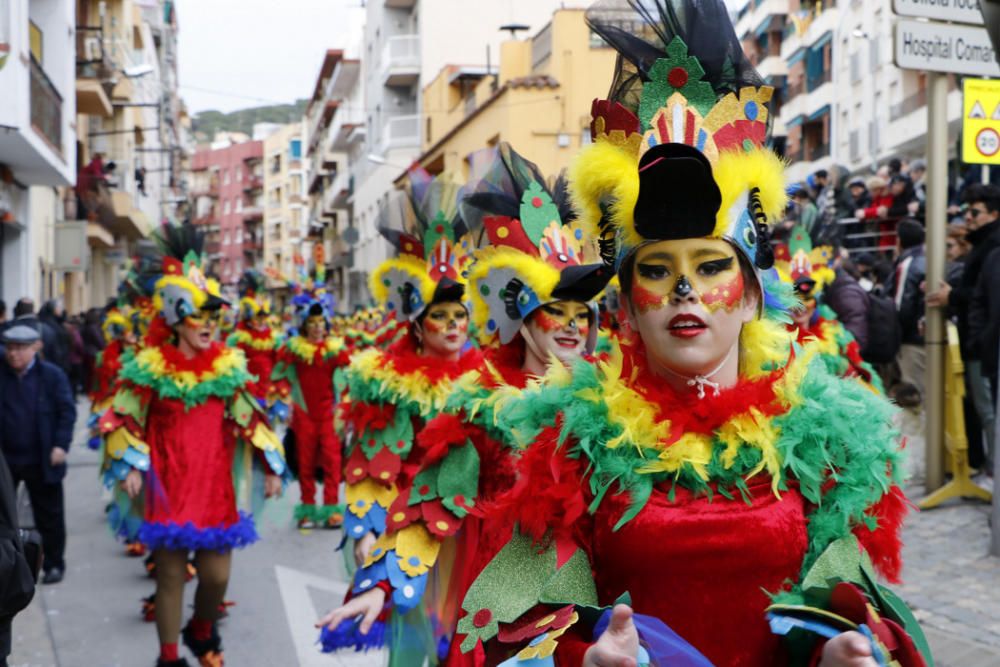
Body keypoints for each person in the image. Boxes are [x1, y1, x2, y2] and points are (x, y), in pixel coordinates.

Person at [447, 2, 929, 665]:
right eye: (657, 270)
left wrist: (843, 650)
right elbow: (512, 625)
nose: (684, 292)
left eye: (709, 267)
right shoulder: (570, 442)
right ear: (626, 305)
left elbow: (853, 606)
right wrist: (581, 656)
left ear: (752, 292)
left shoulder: (823, 433)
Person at [318, 145, 612, 665]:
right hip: (499, 605)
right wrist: (380, 583)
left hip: (594, 613)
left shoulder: (612, 396)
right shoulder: (481, 399)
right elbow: (433, 497)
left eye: (581, 312)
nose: (573, 324)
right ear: (519, 312)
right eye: (555, 310)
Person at [98, 222, 287, 667]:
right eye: (199, 315)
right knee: (169, 577)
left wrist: (271, 465)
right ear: (176, 319)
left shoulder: (226, 368)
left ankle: (201, 629)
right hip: (166, 484)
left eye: (214, 316)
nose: (209, 325)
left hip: (212, 487)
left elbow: (250, 419)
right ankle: (168, 657)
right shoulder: (148, 369)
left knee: (217, 577)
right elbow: (121, 417)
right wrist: (127, 464)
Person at [928, 184, 1000, 470]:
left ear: (994, 213)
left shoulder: (993, 246)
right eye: (965, 211)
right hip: (979, 342)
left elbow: (986, 298)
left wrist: (953, 296)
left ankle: (994, 476)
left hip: (984, 346)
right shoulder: (985, 244)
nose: (967, 217)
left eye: (974, 211)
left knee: (989, 412)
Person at [0, 324, 76, 585]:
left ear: (35, 347)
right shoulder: (3, 375)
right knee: (5, 518)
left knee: (50, 516)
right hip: (6, 462)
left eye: (20, 348)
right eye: (9, 348)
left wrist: (60, 446)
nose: (13, 354)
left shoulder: (51, 376)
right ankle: (12, 568)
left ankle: (54, 564)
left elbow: (67, 412)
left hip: (42, 459)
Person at [271, 282, 348, 529]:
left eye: (321, 323)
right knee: (304, 463)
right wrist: (283, 398)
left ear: (327, 325)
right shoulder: (293, 350)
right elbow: (279, 375)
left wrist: (345, 408)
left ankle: (331, 509)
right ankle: (306, 509)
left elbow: (348, 380)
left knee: (332, 463)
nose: (317, 328)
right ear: (304, 325)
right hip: (303, 415)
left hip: (328, 415)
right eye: (312, 323)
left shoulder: (335, 351)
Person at [890, 219, 927, 399]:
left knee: (915, 395)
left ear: (899, 240)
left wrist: (896, 335)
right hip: (922, 337)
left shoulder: (908, 264)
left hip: (912, 341)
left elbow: (901, 306)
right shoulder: (926, 259)